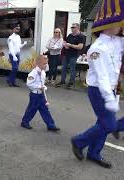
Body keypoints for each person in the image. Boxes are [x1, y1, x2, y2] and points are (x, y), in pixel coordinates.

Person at [70, 0, 123, 169]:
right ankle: (78, 141)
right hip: (100, 90)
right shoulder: (98, 47)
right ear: (110, 23)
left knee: (103, 123)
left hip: (112, 89)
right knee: (108, 124)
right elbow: (102, 77)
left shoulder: (117, 41)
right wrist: (109, 99)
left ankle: (94, 153)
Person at [20, 55, 60, 131]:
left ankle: (50, 125)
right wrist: (39, 87)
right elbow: (29, 84)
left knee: (45, 109)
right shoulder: (33, 73)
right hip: (35, 95)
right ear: (39, 64)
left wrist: (44, 87)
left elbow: (42, 83)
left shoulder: (43, 73)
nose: (46, 65)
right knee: (32, 109)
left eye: (47, 63)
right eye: (44, 64)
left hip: (41, 94)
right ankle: (25, 122)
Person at [56, 23, 85, 88]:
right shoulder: (70, 35)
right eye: (71, 27)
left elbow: (80, 47)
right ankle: (62, 81)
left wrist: (70, 45)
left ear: (78, 28)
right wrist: (64, 44)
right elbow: (64, 41)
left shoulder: (81, 36)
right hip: (66, 54)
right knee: (63, 68)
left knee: (72, 69)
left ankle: (71, 82)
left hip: (74, 55)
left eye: (73, 27)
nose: (72, 28)